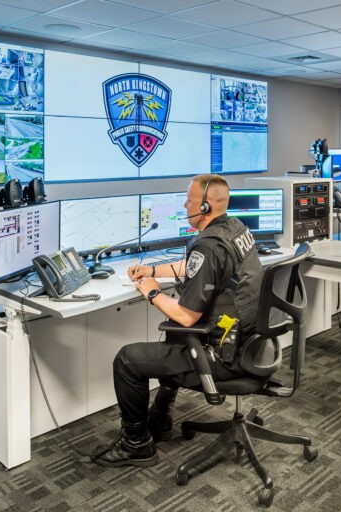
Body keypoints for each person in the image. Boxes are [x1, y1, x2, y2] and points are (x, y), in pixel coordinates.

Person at [93, 174, 263, 467]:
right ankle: (160, 419)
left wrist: (152, 292)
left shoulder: (208, 245)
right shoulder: (233, 228)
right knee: (175, 337)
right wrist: (153, 270)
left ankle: (136, 445)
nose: (185, 205)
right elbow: (197, 269)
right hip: (250, 344)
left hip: (224, 355)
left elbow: (186, 316)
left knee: (128, 359)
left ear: (206, 207)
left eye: (190, 200)